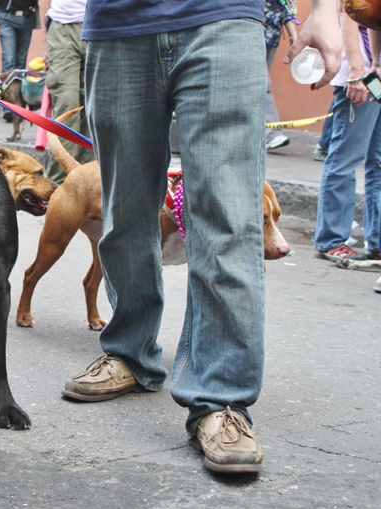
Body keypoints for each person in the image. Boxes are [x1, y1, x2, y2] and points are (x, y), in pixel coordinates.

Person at [65, 0, 340, 473]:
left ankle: (220, 398)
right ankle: (130, 352)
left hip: (224, 16)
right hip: (116, 24)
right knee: (124, 210)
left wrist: (327, 11)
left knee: (227, 215)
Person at [314, 11, 381, 262]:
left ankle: (376, 243)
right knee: (345, 158)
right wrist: (356, 73)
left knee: (378, 161)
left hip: (375, 77)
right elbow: (350, 17)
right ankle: (331, 239)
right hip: (361, 78)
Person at [44, 0, 95, 185]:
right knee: (67, 104)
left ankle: (89, 186)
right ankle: (59, 188)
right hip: (63, 24)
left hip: (103, 25)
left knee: (96, 109)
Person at [264, 0, 299, 151]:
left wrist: (294, 36)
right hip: (251, 33)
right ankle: (271, 134)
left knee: (261, 85)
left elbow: (286, 8)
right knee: (262, 84)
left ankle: (269, 134)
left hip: (271, 36)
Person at [0, 0, 39, 73]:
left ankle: (18, 83)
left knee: (21, 60)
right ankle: (8, 83)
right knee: (9, 59)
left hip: (27, 16)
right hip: (6, 15)